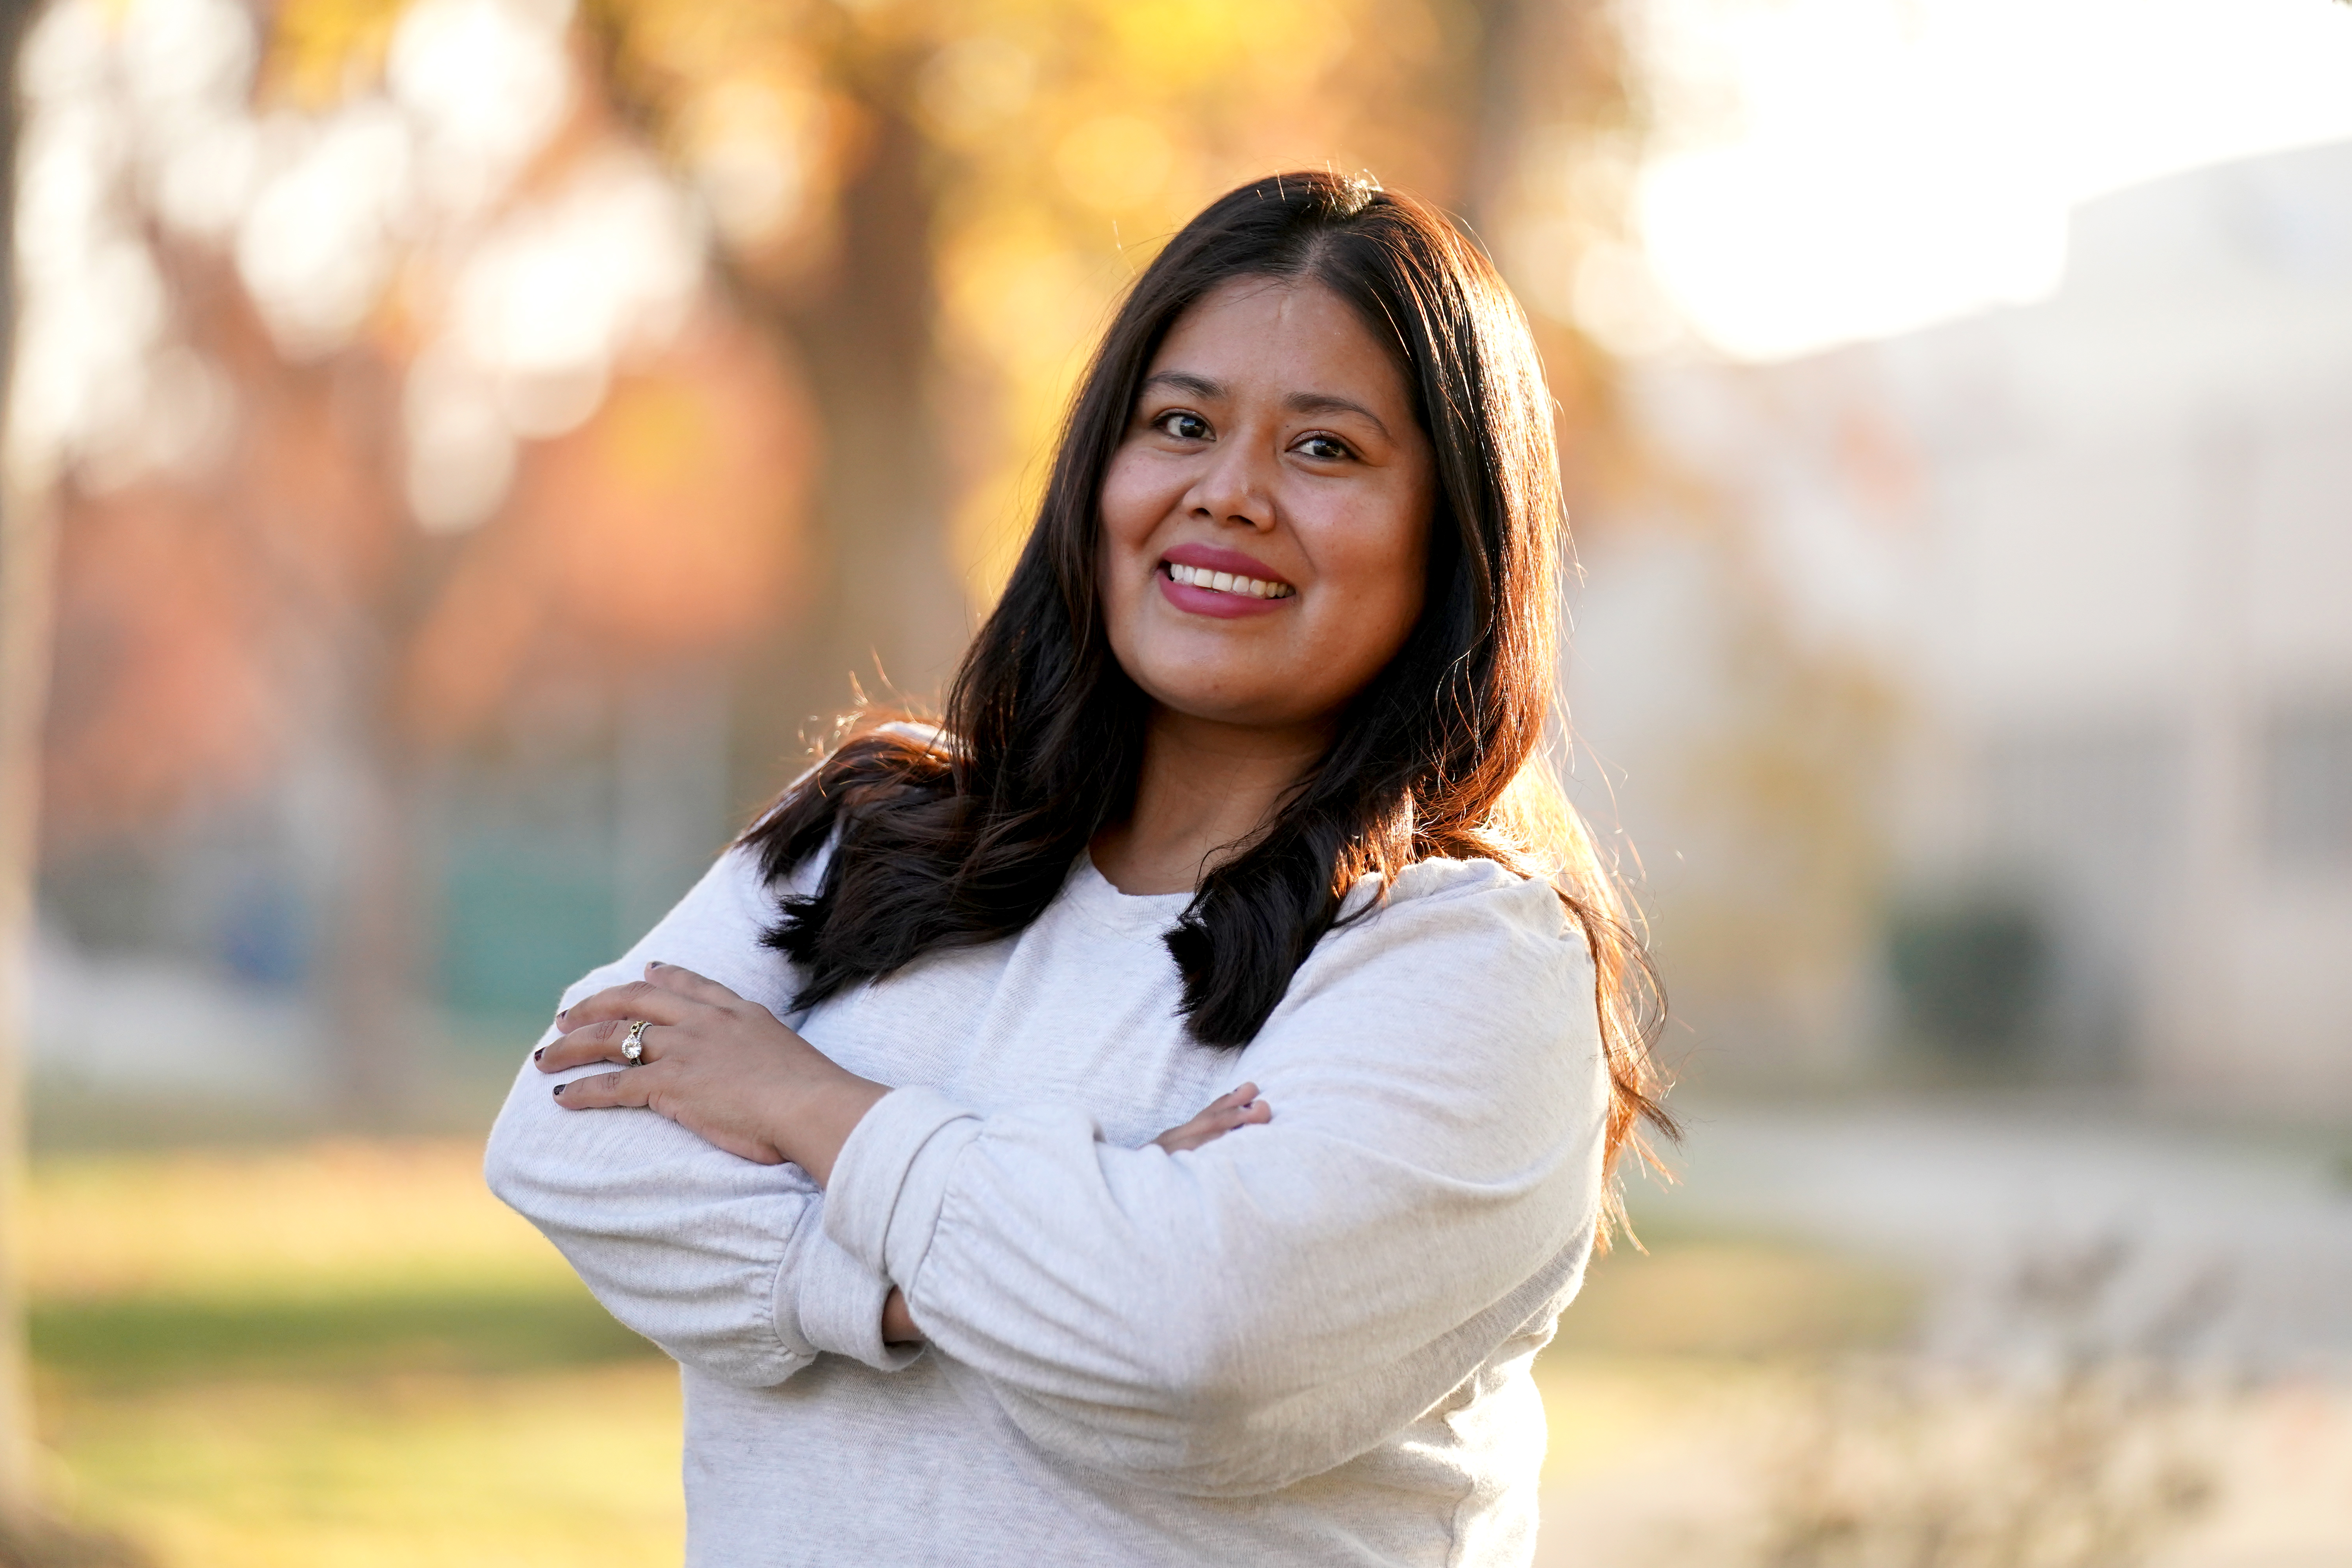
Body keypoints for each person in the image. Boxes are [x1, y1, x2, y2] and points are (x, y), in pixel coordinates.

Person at [486, 169, 1671, 1567]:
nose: (1227, 495)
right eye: (1180, 424)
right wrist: (1076, 1219)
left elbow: (1193, 1354)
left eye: (1327, 451)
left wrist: (802, 1105)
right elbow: (565, 1140)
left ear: (1455, 537)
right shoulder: (872, 827)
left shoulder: (1473, 961)